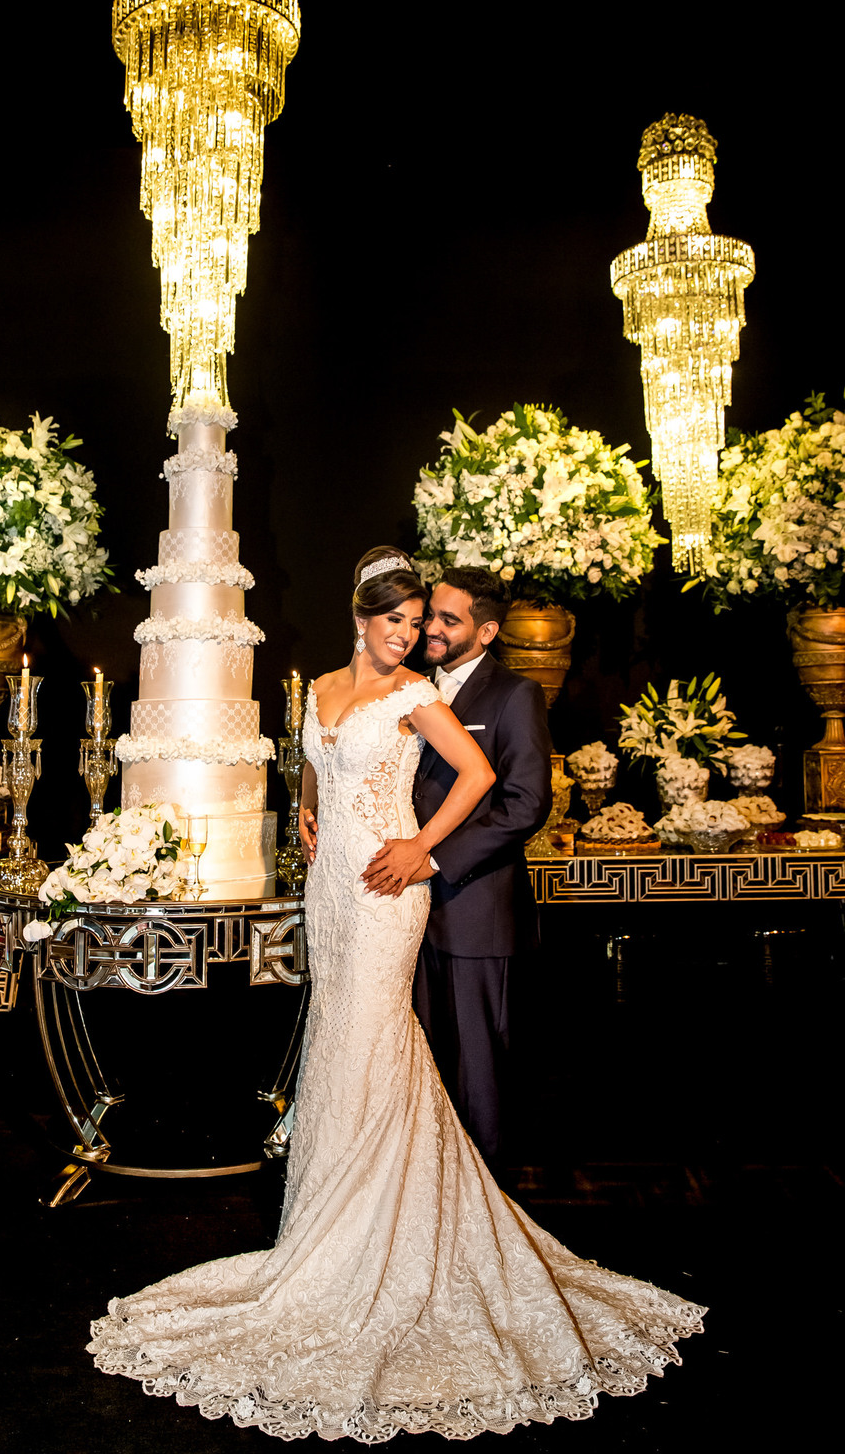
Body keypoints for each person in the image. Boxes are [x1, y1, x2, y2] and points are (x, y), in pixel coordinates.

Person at [88, 549, 704, 1441]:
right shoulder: (320, 690)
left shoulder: (417, 693)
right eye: (396, 620)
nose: (408, 635)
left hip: (387, 887)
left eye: (418, 624)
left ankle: (385, 1233)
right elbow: (321, 766)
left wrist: (422, 846)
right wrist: (307, 803)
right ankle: (323, 1230)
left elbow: (484, 778)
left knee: (377, 1037)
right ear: (360, 614)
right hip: (330, 886)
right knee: (338, 1038)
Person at [361, 566, 552, 1170]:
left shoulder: (514, 696)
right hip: (403, 909)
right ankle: (431, 1187)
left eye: (448, 619)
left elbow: (527, 804)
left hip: (476, 909)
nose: (431, 630)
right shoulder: (406, 686)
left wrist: (433, 857)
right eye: (428, 617)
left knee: (478, 1065)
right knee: (422, 1059)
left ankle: (486, 1201)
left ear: (487, 631)